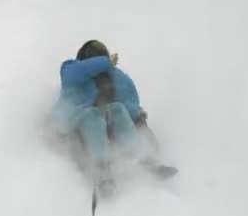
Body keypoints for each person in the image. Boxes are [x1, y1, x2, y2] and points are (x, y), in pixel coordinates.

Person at [52, 40, 175, 193]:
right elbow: (78, 71)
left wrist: (140, 121)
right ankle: (102, 171)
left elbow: (128, 103)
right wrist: (105, 62)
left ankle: (145, 161)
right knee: (93, 115)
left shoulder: (115, 77)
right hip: (73, 126)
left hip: (102, 128)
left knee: (117, 109)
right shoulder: (70, 70)